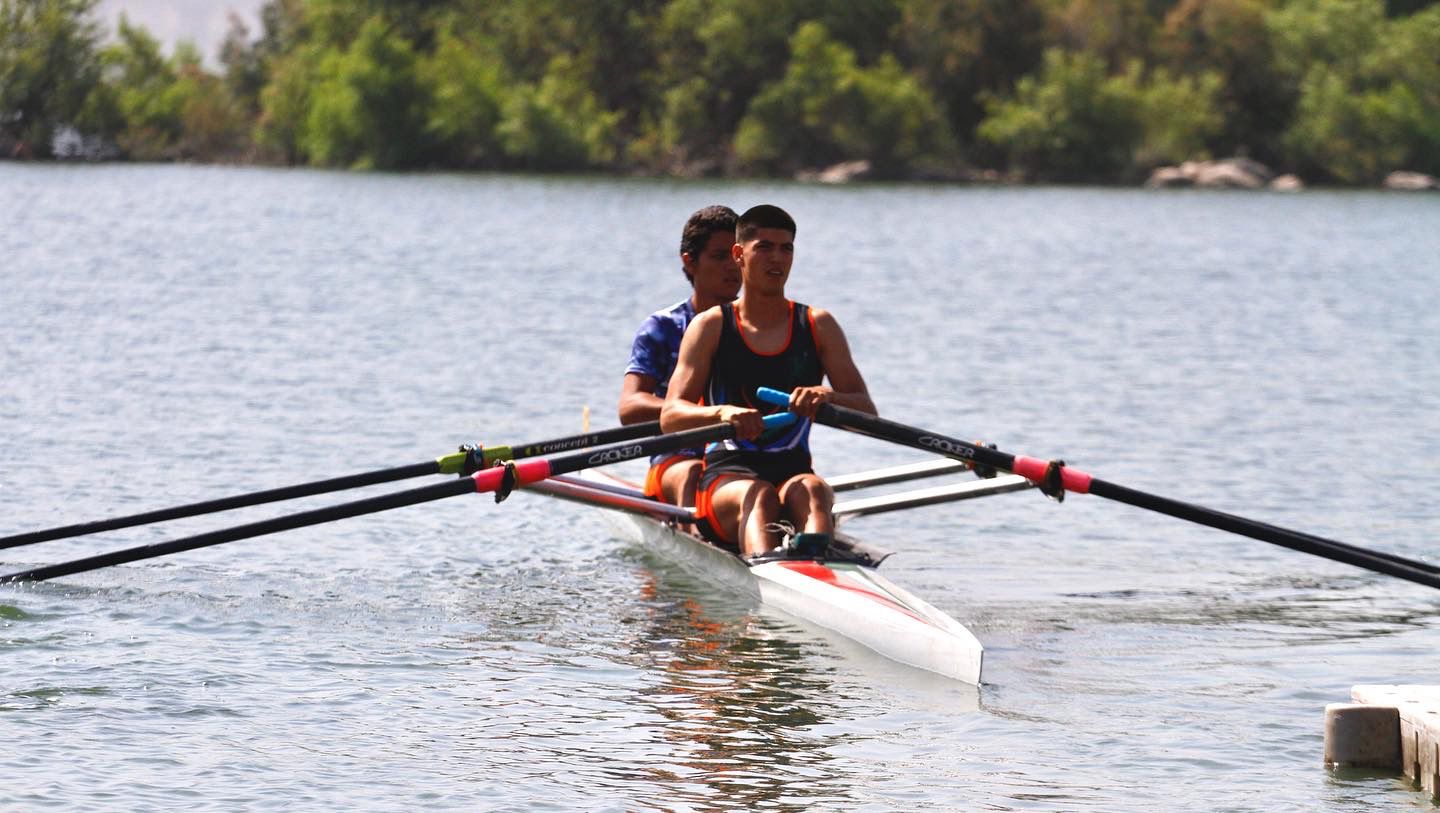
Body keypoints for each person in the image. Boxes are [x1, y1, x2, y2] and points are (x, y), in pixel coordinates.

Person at [660, 204, 877, 557]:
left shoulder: (818, 325)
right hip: (726, 478)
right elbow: (671, 416)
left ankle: (816, 563)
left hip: (793, 471)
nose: (777, 258)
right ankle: (769, 577)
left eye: (786, 248)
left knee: (815, 490)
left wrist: (827, 397)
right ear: (738, 254)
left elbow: (868, 413)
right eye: (764, 247)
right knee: (758, 495)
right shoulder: (711, 326)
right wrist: (722, 414)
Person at [619, 205, 741, 509]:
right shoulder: (662, 328)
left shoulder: (762, 327)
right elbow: (630, 407)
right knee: (693, 475)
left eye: (737, 256)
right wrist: (705, 414)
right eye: (719, 256)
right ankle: (701, 538)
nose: (732, 266)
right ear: (690, 262)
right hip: (678, 458)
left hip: (743, 459)